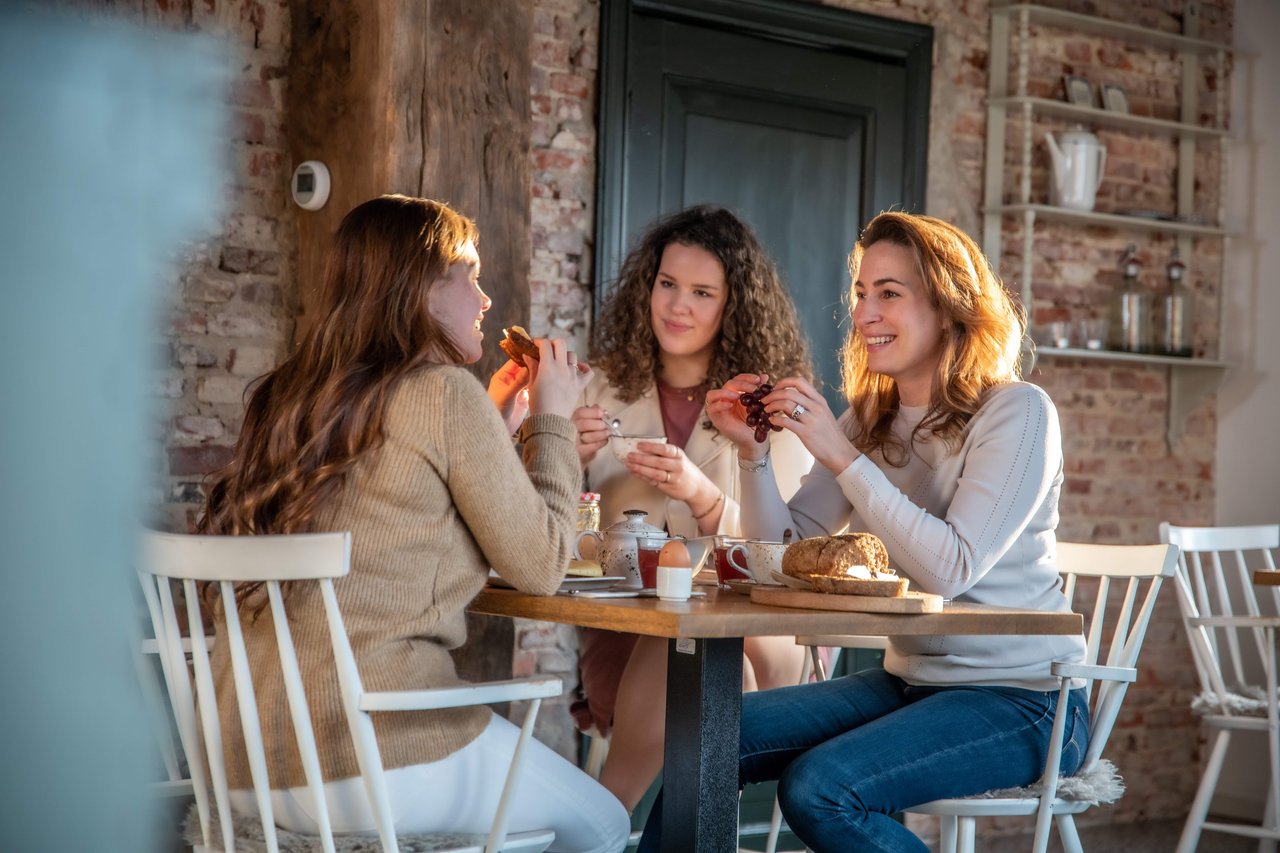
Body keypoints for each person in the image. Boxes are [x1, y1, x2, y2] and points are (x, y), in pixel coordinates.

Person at [638, 210, 1091, 852]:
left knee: (820, 788)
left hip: (1028, 700)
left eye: (889, 293)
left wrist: (842, 456)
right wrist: (753, 455)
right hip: (913, 682)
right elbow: (784, 556)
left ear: (949, 306)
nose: (864, 313)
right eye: (860, 293)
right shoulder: (870, 418)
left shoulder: (1017, 413)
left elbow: (949, 569)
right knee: (710, 733)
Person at [198, 195, 630, 853]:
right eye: (470, 275)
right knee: (605, 824)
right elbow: (541, 562)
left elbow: (402, 516)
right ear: (423, 289)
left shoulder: (286, 396)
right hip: (366, 754)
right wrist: (555, 423)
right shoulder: (440, 393)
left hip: (243, 758)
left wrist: (497, 422)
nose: (485, 298)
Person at [569, 205, 817, 811]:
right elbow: (555, 535)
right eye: (667, 284)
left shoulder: (771, 406)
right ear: (647, 287)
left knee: (708, 641)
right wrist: (558, 454)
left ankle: (604, 814)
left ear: (733, 305)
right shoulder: (595, 392)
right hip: (631, 631)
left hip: (764, 631)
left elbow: (784, 554)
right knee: (698, 646)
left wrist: (702, 498)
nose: (677, 306)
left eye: (702, 292)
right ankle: (690, 828)